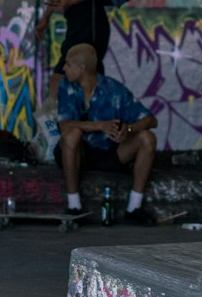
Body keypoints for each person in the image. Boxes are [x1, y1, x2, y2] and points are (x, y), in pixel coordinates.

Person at [55, 43, 158, 223]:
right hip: (79, 153)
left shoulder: (113, 89)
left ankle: (134, 208)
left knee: (147, 138)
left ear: (81, 68)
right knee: (71, 135)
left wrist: (128, 129)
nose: (64, 68)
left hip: (109, 152)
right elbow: (64, 125)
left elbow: (151, 120)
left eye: (68, 64)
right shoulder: (67, 87)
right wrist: (100, 126)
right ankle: (74, 206)